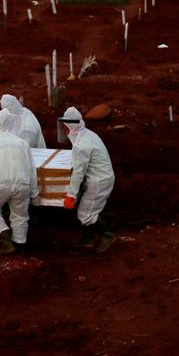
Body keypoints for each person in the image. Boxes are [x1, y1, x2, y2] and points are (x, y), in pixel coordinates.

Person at [0, 111, 39, 256]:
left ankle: (5, 241)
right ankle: (20, 245)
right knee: (20, 215)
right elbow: (32, 169)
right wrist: (34, 193)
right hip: (22, 183)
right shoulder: (22, 143)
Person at [60, 107, 115, 252]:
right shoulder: (88, 134)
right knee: (87, 209)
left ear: (67, 127)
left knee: (86, 214)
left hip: (98, 181)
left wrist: (70, 195)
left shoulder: (81, 146)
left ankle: (107, 235)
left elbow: (78, 172)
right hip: (101, 177)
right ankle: (88, 240)